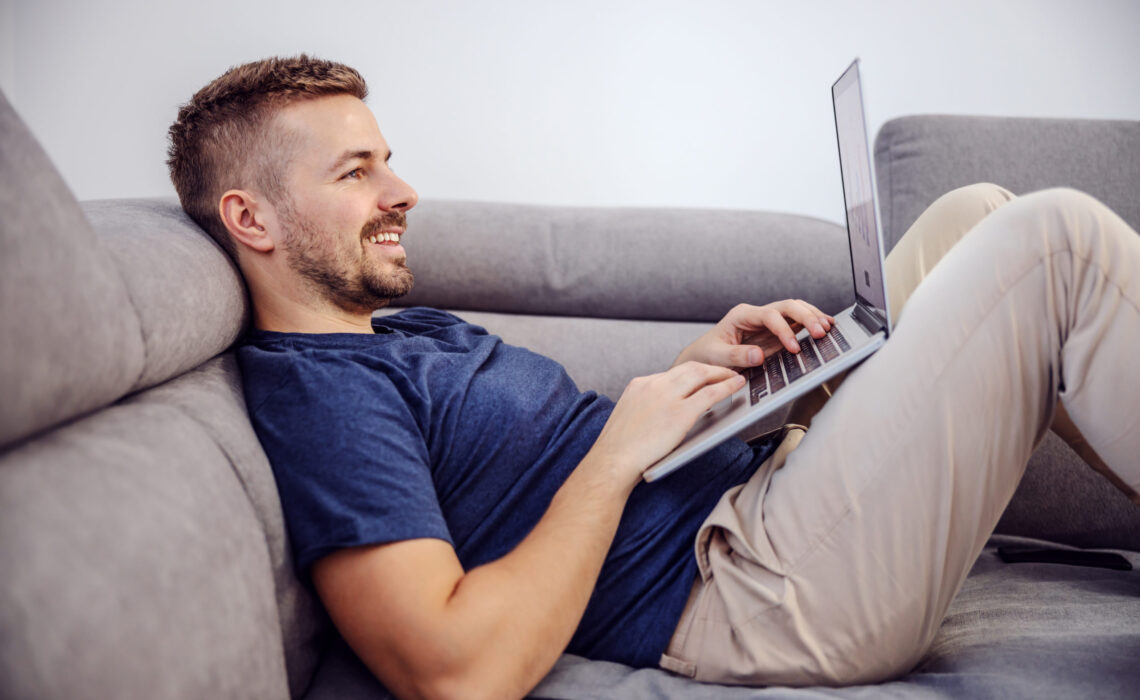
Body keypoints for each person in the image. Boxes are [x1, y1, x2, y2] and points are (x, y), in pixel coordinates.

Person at [167, 55, 1140, 699]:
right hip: (754, 592)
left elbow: (542, 470)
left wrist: (693, 381)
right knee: (1053, 242)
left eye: (388, 162)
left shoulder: (400, 329)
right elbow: (455, 671)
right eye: (355, 173)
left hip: (755, 505)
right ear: (251, 219)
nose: (403, 192)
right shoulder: (323, 397)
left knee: (979, 211)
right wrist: (619, 455)